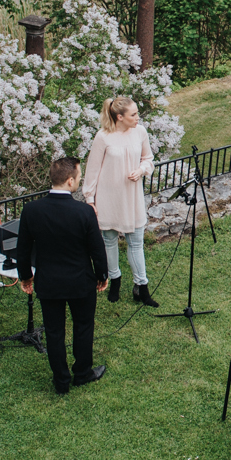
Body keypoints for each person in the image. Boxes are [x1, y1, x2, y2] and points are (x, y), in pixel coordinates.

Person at [15, 156, 110, 394]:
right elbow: (96, 248)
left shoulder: (31, 210)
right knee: (83, 326)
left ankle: (61, 381)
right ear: (70, 181)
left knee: (54, 331)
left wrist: (26, 277)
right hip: (80, 281)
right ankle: (82, 373)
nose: (79, 180)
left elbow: (23, 250)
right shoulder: (84, 212)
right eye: (79, 177)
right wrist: (102, 275)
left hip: (49, 282)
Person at [82, 95, 159, 307]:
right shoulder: (103, 137)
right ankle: (114, 279)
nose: (138, 117)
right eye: (133, 114)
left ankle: (141, 287)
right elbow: (92, 170)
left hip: (131, 196)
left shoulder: (140, 132)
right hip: (108, 197)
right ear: (119, 117)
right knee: (109, 241)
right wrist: (90, 199)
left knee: (136, 242)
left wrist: (141, 170)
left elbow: (148, 158)